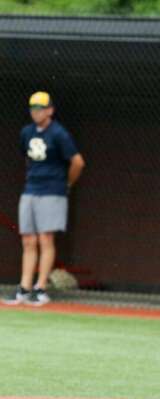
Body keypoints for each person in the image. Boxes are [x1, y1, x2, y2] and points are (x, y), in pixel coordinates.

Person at [3, 91, 85, 307]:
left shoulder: (59, 134)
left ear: (50, 110)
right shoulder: (27, 132)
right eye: (33, 108)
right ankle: (24, 288)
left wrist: (65, 184)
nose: (36, 112)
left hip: (52, 191)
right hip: (31, 190)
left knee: (45, 239)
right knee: (28, 240)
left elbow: (77, 162)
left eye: (40, 108)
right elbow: (26, 158)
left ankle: (40, 288)